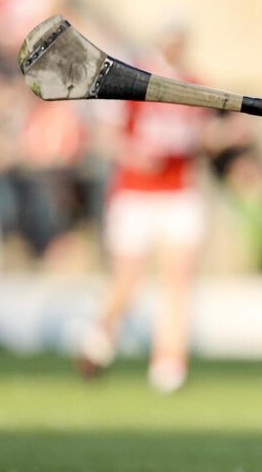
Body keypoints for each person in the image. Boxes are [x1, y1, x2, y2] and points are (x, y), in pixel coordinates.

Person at [74, 27, 210, 393]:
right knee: (127, 280)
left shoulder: (194, 83)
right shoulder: (134, 79)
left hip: (179, 192)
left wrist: (222, 138)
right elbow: (105, 136)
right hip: (135, 193)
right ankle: (98, 338)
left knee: (178, 279)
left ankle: (169, 363)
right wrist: (133, 153)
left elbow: (201, 137)